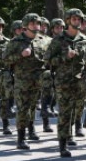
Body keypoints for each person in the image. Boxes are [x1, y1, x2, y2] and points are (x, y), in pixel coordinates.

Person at [45, 9, 86, 157]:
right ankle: (63, 144)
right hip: (63, 80)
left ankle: (71, 133)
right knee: (65, 112)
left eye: (79, 20)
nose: (77, 22)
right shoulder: (58, 40)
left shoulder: (85, 39)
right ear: (69, 21)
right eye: (74, 19)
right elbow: (48, 60)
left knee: (76, 110)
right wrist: (65, 56)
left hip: (80, 80)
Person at [3, 13, 50, 150]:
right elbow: (5, 59)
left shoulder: (43, 40)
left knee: (33, 106)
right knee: (23, 108)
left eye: (37, 24)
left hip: (38, 79)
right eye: (32, 24)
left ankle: (32, 129)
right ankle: (21, 138)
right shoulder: (16, 42)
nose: (36, 26)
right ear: (25, 26)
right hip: (22, 80)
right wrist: (21, 55)